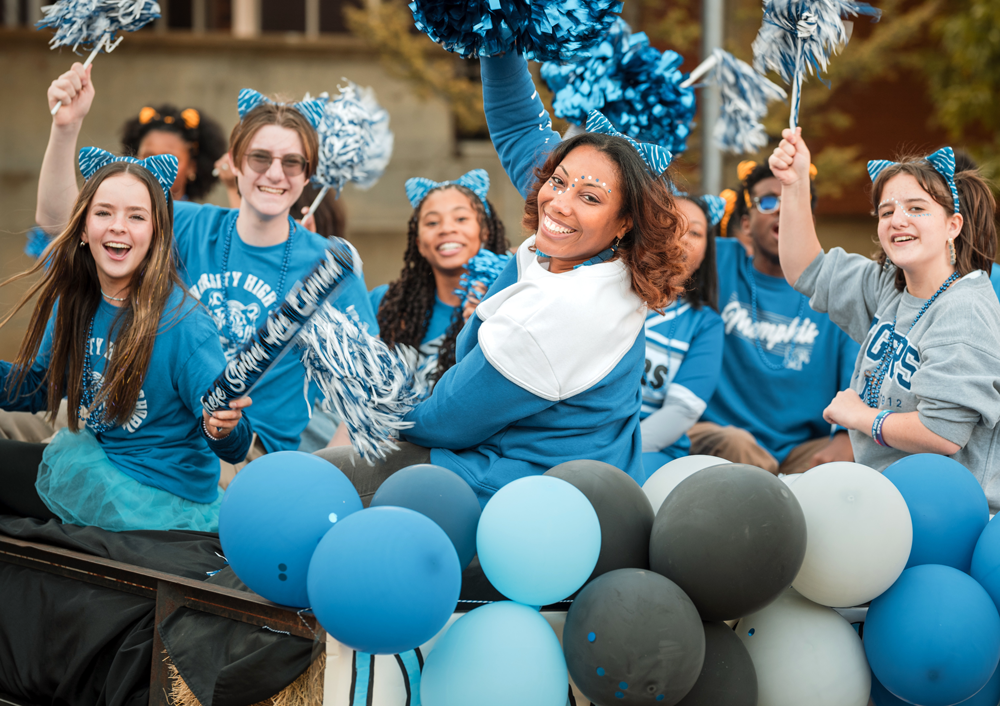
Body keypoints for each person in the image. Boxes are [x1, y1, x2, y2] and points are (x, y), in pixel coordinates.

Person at [318, 52, 688, 506]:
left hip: (516, 501)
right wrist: (497, 30)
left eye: (589, 196)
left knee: (311, 483)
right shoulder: (597, 256)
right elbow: (520, 129)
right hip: (543, 480)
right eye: (558, 180)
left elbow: (446, 420)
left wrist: (373, 398)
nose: (558, 204)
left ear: (625, 221)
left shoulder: (566, 311)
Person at [33, 79, 378, 459]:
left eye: (292, 162)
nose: (275, 174)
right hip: (150, 431)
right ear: (234, 161)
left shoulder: (328, 267)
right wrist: (65, 128)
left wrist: (322, 475)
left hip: (245, 456)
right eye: (260, 157)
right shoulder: (184, 223)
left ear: (308, 174)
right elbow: (61, 223)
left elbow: (366, 391)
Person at [0, 150, 251, 531]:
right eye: (104, 213)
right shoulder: (75, 302)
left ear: (157, 233)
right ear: (83, 228)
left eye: (136, 216)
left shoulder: (185, 324)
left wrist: (224, 427)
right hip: (100, 464)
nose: (119, 226)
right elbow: (37, 387)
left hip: (158, 497)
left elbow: (233, 441)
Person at [771, 130, 1000, 508]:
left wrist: (861, 416)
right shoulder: (890, 288)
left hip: (948, 514)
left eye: (917, 208)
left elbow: (942, 433)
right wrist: (794, 184)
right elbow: (805, 270)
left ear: (952, 226)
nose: (898, 220)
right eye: (887, 211)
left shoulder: (966, 308)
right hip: (884, 497)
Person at [688, 158, 859, 474]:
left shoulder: (839, 289)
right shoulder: (715, 261)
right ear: (747, 223)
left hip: (803, 449)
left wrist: (847, 437)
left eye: (796, 200)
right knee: (736, 447)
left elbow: (858, 381)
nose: (782, 209)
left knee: (856, 463)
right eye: (768, 201)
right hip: (721, 442)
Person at [372, 169, 508, 384]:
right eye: (432, 223)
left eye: (461, 218)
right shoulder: (383, 304)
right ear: (419, 244)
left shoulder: (506, 303)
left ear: (485, 232)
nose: (446, 229)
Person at [640, 193, 725, 478]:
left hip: (650, 451)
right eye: (671, 223)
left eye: (696, 232)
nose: (682, 237)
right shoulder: (608, 288)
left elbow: (681, 411)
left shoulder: (705, 325)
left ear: (705, 255)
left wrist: (617, 450)